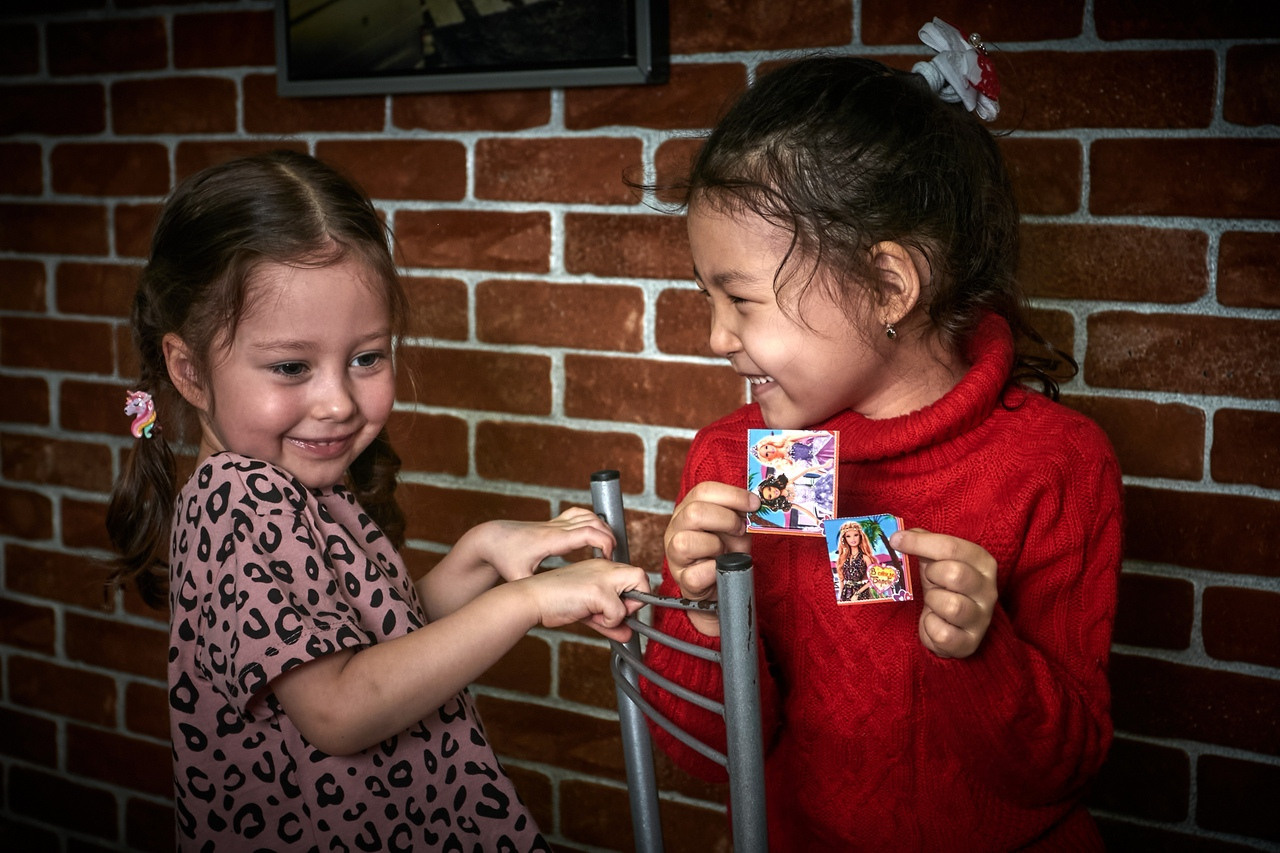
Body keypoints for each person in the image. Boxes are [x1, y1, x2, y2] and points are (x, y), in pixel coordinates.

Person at [642, 28, 1123, 852]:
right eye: (706, 297)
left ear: (889, 285)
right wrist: (703, 614)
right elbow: (711, 759)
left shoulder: (1057, 465)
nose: (716, 336)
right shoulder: (731, 462)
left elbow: (1064, 766)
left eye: (743, 300)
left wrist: (983, 649)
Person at [104, 150, 650, 851]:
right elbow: (340, 707)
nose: (336, 401)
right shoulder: (241, 497)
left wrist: (481, 552)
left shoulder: (299, 489)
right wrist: (525, 603)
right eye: (291, 366)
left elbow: (382, 641)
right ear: (189, 368)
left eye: (366, 357)